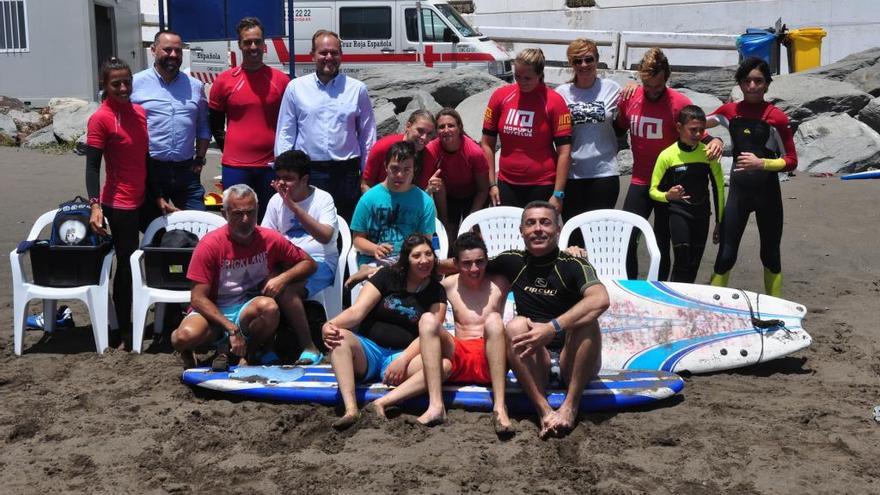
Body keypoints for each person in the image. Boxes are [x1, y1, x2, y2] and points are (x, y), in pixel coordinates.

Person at [368, 232, 513, 434]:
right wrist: (367, 272)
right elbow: (416, 268)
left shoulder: (501, 282)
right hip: (458, 356)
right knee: (428, 319)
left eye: (480, 262)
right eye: (467, 263)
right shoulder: (448, 284)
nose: (474, 269)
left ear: (487, 260)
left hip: (491, 356)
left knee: (494, 320)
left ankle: (499, 407)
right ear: (456, 263)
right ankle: (436, 406)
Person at [488, 201, 609, 438]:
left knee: (588, 321)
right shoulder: (512, 260)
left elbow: (601, 299)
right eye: (531, 223)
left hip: (573, 359)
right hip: (536, 360)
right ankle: (543, 411)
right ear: (521, 230)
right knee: (515, 325)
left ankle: (570, 406)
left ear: (557, 230)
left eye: (545, 222)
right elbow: (466, 263)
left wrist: (552, 328)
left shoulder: (573, 264)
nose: (538, 229)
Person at [170, 184, 316, 370]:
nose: (246, 219)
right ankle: (196, 349)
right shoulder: (210, 245)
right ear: (225, 214)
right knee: (183, 338)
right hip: (214, 311)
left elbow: (309, 263)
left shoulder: (269, 238)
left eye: (251, 213)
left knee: (269, 308)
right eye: (238, 214)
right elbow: (198, 299)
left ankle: (248, 352)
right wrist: (231, 328)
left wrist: (283, 278)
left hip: (246, 309)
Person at [616, 48, 722, 280]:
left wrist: (715, 140)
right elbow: (617, 128)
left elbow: (696, 130)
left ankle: (662, 290)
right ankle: (632, 287)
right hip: (640, 181)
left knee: (662, 242)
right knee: (627, 238)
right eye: (648, 85)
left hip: (670, 185)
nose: (653, 91)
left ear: (667, 77)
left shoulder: (678, 102)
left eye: (658, 85)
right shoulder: (631, 97)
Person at [322, 234, 447, 429]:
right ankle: (351, 409)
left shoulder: (437, 291)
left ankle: (383, 402)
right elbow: (356, 312)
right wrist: (329, 324)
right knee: (340, 337)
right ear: (407, 259)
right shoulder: (387, 276)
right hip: (369, 349)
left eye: (429, 254)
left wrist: (403, 359)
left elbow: (431, 333)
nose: (424, 260)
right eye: (417, 256)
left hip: (403, 354)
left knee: (444, 366)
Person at [707, 57, 798, 296]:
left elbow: (791, 161)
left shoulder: (776, 117)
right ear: (740, 83)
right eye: (747, 80)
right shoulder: (730, 112)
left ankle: (774, 308)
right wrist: (713, 139)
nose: (752, 86)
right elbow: (693, 122)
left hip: (767, 194)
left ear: (767, 84)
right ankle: (717, 307)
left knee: (770, 254)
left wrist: (762, 163)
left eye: (758, 81)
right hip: (739, 194)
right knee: (726, 254)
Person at [275, 30, 376, 220]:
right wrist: (284, 173)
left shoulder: (357, 89)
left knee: (346, 224)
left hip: (346, 173)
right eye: (323, 53)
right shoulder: (296, 88)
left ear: (341, 56)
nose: (329, 57)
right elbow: (285, 132)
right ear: (312, 55)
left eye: (334, 52)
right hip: (309, 172)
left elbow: (367, 135)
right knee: (311, 223)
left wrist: (366, 174)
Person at [85, 57, 149, 349]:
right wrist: (95, 205)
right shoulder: (101, 118)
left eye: (127, 82)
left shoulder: (139, 112)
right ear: (104, 86)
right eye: (116, 84)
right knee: (125, 265)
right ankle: (124, 329)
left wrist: (158, 196)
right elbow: (92, 167)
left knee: (158, 253)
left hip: (143, 197)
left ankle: (162, 314)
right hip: (118, 203)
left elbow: (144, 159)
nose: (123, 88)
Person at [261, 150, 338, 365]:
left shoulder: (323, 199)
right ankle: (267, 347)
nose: (283, 184)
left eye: (289, 179)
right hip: (287, 262)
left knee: (286, 291)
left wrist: (292, 207)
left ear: (304, 179)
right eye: (279, 178)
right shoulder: (275, 201)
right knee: (265, 287)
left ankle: (310, 347)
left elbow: (325, 236)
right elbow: (268, 239)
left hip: (319, 261)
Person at [209, 17, 290, 222]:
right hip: (235, 167)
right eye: (247, 42)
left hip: (270, 167)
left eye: (257, 41)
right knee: (236, 220)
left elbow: (290, 123)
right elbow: (215, 124)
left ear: (264, 44)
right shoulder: (224, 81)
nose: (253, 46)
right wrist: (228, 148)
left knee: (269, 221)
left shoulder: (280, 81)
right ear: (240, 45)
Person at [131, 30, 210, 220]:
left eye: (178, 50)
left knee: (199, 222)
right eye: (167, 50)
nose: (173, 55)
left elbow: (203, 128)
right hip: (151, 169)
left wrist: (199, 158)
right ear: (153, 50)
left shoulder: (195, 86)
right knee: (152, 227)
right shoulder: (135, 83)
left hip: (186, 171)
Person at [481, 48, 572, 210]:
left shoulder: (554, 101)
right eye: (517, 76)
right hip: (506, 183)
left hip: (542, 184)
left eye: (527, 78)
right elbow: (487, 143)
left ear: (540, 75)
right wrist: (491, 184)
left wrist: (558, 194)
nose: (521, 81)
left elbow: (564, 152)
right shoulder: (500, 96)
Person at [649, 105, 725, 283]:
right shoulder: (667, 155)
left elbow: (719, 188)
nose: (698, 134)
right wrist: (667, 196)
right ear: (678, 127)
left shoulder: (707, 154)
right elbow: (653, 190)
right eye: (693, 130)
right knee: (682, 261)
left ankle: (684, 304)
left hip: (702, 214)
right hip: (678, 213)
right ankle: (673, 301)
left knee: (694, 264)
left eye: (701, 130)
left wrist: (720, 222)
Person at [554, 39, 621, 231]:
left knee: (599, 234)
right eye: (577, 61)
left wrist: (633, 85)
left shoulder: (612, 88)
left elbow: (636, 103)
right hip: (572, 175)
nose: (583, 65)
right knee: (574, 235)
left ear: (597, 60)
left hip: (604, 173)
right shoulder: (562, 93)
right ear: (571, 64)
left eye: (588, 59)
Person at [349, 141, 436, 269]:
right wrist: (375, 248)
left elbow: (426, 241)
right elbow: (357, 240)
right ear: (386, 167)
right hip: (374, 261)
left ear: (414, 170)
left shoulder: (424, 202)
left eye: (406, 169)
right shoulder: (368, 199)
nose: (400, 175)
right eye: (395, 168)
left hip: (409, 262)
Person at [423, 108, 490, 240]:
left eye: (451, 125)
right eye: (441, 127)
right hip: (449, 196)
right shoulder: (431, 150)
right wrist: (444, 220)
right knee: (449, 238)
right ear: (437, 131)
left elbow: (483, 189)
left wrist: (472, 217)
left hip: (474, 194)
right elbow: (426, 185)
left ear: (459, 128)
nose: (446, 130)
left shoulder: (474, 152)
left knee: (472, 235)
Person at [361, 109, 440, 193]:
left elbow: (420, 192)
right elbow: (365, 184)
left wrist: (429, 190)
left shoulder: (428, 158)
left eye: (429, 134)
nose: (424, 137)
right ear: (408, 126)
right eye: (420, 131)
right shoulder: (383, 147)